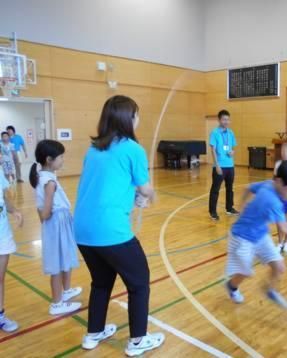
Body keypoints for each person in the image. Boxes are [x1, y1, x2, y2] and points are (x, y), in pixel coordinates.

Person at [74, 96, 165, 356]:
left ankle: (93, 333)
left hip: (83, 231)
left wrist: (135, 197)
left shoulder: (94, 149)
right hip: (110, 231)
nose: (138, 118)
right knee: (139, 283)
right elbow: (145, 187)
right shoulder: (132, 149)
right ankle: (137, 341)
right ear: (128, 118)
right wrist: (149, 193)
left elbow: (109, 185)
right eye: (136, 114)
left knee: (101, 282)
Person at [225, 161, 287, 310]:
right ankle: (232, 286)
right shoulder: (273, 202)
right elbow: (285, 228)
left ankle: (271, 291)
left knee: (279, 267)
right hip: (241, 237)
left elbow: (248, 188)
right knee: (245, 272)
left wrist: (241, 207)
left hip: (260, 234)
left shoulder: (270, 183)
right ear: (280, 182)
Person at [29, 140, 82, 315]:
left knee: (65, 257)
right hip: (56, 224)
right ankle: (57, 304)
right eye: (61, 157)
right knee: (58, 263)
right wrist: (49, 218)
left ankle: (66, 292)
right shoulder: (49, 182)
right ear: (49, 159)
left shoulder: (44, 176)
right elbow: (45, 212)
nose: (63, 160)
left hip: (59, 223)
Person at [0, 167, 23, 332]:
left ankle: (0, 316)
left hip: (2, 232)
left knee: (0, 278)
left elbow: (3, 198)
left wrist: (14, 210)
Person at [209, 109, 239, 221]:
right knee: (215, 189)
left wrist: (232, 152)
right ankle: (212, 212)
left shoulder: (231, 133)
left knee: (230, 188)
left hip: (230, 165)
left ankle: (229, 208)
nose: (226, 121)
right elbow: (213, 149)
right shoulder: (215, 133)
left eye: (228, 119)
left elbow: (232, 148)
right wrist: (217, 165)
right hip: (220, 165)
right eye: (224, 119)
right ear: (219, 120)